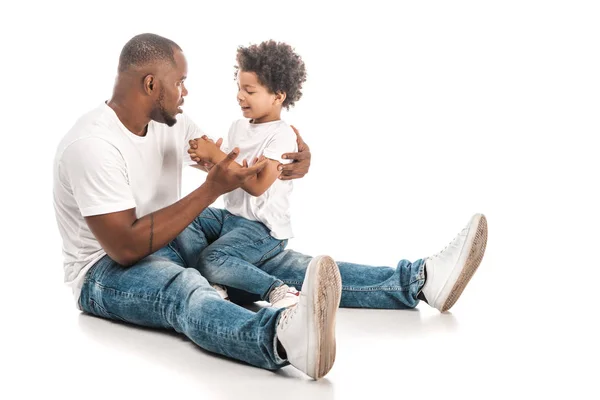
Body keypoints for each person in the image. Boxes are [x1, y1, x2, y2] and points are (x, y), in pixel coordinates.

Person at [53, 33, 488, 381]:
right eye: (179, 81)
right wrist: (210, 189)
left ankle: (420, 282)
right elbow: (126, 248)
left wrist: (289, 164)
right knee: (184, 288)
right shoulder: (92, 145)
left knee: (269, 256)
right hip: (105, 271)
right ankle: (281, 338)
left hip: (164, 236)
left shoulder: (170, 123)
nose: (186, 91)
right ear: (151, 83)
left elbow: (232, 166)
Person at [186, 40, 308, 309]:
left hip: (262, 228)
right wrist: (205, 160)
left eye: (249, 91)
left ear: (278, 96)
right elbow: (228, 174)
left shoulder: (282, 135)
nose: (240, 96)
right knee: (182, 216)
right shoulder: (238, 126)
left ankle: (277, 289)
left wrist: (218, 156)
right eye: (239, 88)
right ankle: (218, 282)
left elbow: (256, 186)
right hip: (230, 217)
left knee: (211, 258)